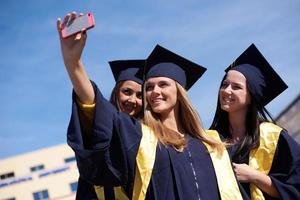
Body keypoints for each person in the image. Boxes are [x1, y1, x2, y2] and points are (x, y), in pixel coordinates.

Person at [57, 12, 243, 200]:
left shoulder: (213, 143)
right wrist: (74, 64)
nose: (154, 91)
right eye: (149, 87)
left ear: (179, 93)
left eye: (163, 85)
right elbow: (101, 113)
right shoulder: (141, 138)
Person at [210, 43, 300, 200]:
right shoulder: (210, 138)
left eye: (236, 87)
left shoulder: (272, 137)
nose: (226, 90)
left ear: (252, 96)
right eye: (224, 84)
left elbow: (295, 190)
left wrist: (256, 177)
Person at [76, 60, 145, 199]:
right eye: (127, 92)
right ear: (116, 92)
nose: (132, 100)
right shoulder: (101, 127)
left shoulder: (148, 135)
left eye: (140, 96)